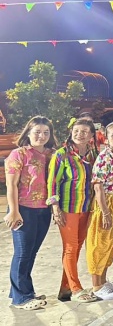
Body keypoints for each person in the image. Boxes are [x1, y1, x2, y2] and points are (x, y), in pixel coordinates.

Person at [4, 116, 56, 310]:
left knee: (32, 252)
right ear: (28, 133)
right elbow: (11, 185)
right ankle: (21, 298)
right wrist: (13, 211)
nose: (41, 136)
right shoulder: (19, 154)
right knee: (23, 253)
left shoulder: (51, 155)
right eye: (37, 132)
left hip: (43, 210)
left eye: (46, 132)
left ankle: (23, 290)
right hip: (23, 209)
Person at [47, 117, 98, 303]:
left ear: (91, 135)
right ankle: (76, 289)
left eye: (84, 131)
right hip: (67, 207)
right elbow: (52, 181)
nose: (80, 134)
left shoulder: (92, 155)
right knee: (70, 247)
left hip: (86, 207)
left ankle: (65, 288)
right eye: (76, 131)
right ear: (71, 132)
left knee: (77, 247)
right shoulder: (62, 155)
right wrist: (55, 207)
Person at [86, 122, 113, 300]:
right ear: (107, 138)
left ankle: (103, 281)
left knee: (112, 242)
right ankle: (96, 286)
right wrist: (105, 212)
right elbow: (98, 187)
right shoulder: (104, 157)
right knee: (99, 242)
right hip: (106, 202)